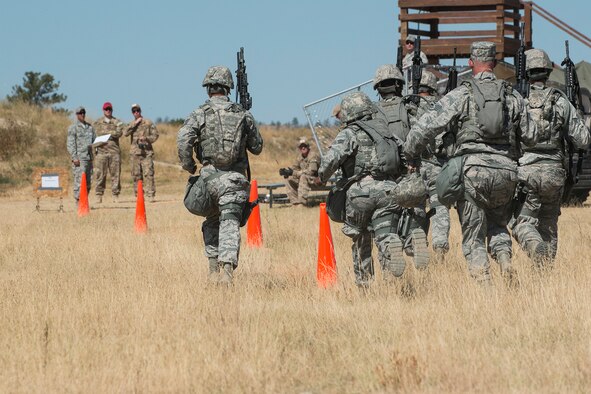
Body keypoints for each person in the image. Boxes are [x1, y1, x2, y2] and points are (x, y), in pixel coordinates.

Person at [402, 42, 538, 284]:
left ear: (470, 63)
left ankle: (484, 285)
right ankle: (505, 260)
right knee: (497, 224)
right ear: (494, 64)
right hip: (506, 172)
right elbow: (532, 135)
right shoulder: (511, 95)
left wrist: (410, 154)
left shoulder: (461, 94)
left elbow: (425, 128)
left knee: (473, 235)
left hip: (472, 173)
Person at [316, 91, 421, 287]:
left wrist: (321, 176)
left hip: (360, 194)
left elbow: (328, 164)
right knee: (385, 233)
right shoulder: (384, 130)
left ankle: (365, 286)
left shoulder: (349, 133)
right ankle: (391, 253)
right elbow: (405, 156)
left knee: (360, 239)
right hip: (389, 191)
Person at [177, 66, 263, 284]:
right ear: (228, 87)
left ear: (208, 89)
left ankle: (213, 270)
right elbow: (257, 147)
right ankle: (226, 272)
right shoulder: (242, 114)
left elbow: (183, 139)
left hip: (208, 179)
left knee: (212, 220)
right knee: (230, 222)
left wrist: (189, 166)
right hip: (234, 180)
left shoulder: (200, 113)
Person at [510, 48, 590, 266]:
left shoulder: (518, 100)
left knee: (521, 222)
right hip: (555, 173)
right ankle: (544, 275)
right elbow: (583, 140)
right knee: (549, 225)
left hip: (527, 172)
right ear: (547, 71)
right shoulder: (560, 100)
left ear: (526, 72)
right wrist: (579, 115)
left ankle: (534, 246)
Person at [373, 64, 429, 270]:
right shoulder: (409, 107)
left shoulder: (372, 112)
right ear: (399, 85)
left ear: (377, 87)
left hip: (383, 177)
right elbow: (424, 134)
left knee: (384, 223)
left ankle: (390, 247)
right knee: (414, 212)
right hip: (410, 173)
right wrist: (413, 159)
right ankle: (414, 239)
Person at [413, 70, 452, 257]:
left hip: (416, 167)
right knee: (439, 206)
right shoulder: (442, 107)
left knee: (416, 206)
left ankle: (418, 240)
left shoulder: (409, 107)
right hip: (438, 165)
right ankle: (440, 245)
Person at [124, 103, 159, 202]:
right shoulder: (131, 124)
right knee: (136, 175)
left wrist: (147, 139)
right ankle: (139, 195)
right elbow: (125, 133)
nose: (136, 113)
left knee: (149, 174)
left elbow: (156, 134)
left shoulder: (148, 122)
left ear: (140, 111)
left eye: (137, 111)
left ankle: (150, 195)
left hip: (146, 153)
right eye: (134, 111)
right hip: (135, 153)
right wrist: (134, 124)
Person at [93, 102, 124, 203]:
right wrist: (111, 134)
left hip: (114, 152)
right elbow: (95, 134)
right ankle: (99, 195)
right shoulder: (97, 122)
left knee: (115, 174)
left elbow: (119, 132)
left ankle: (115, 195)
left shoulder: (117, 121)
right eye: (106, 109)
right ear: (103, 110)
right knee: (100, 174)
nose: (108, 111)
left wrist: (107, 134)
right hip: (101, 152)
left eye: (109, 109)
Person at [67, 106, 95, 203]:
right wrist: (74, 157)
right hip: (79, 159)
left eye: (83, 112)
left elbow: (94, 141)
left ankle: (84, 200)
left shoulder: (90, 127)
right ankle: (78, 202)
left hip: (89, 158)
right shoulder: (73, 128)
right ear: (77, 115)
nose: (82, 114)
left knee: (88, 181)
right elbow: (70, 144)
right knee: (79, 182)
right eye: (80, 113)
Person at [280, 138, 321, 206]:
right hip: (307, 179)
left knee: (303, 177)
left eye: (305, 146)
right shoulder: (300, 157)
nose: (303, 148)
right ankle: (295, 202)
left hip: (318, 180)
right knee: (289, 178)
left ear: (308, 147)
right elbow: (295, 168)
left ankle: (302, 203)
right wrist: (287, 172)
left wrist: (294, 173)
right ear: (299, 148)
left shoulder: (313, 155)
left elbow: (311, 171)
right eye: (301, 146)